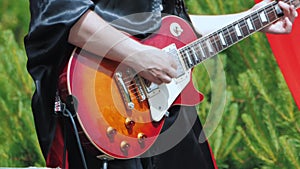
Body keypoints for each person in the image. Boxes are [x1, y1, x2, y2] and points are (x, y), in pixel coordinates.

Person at [24, 0, 298, 169]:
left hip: (166, 114)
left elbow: (171, 25)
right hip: (105, 110)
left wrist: (250, 18)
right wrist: (136, 55)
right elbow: (60, 12)